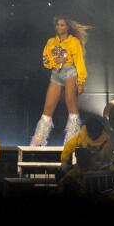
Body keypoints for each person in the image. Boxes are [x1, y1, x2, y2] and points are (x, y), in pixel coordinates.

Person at [31, 16, 91, 146]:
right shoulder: (51, 42)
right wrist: (54, 62)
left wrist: (81, 81)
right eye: (58, 25)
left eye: (62, 25)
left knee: (71, 105)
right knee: (47, 108)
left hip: (70, 72)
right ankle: (38, 141)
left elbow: (80, 62)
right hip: (55, 74)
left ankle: (72, 141)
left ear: (68, 27)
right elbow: (45, 59)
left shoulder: (74, 42)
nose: (59, 27)